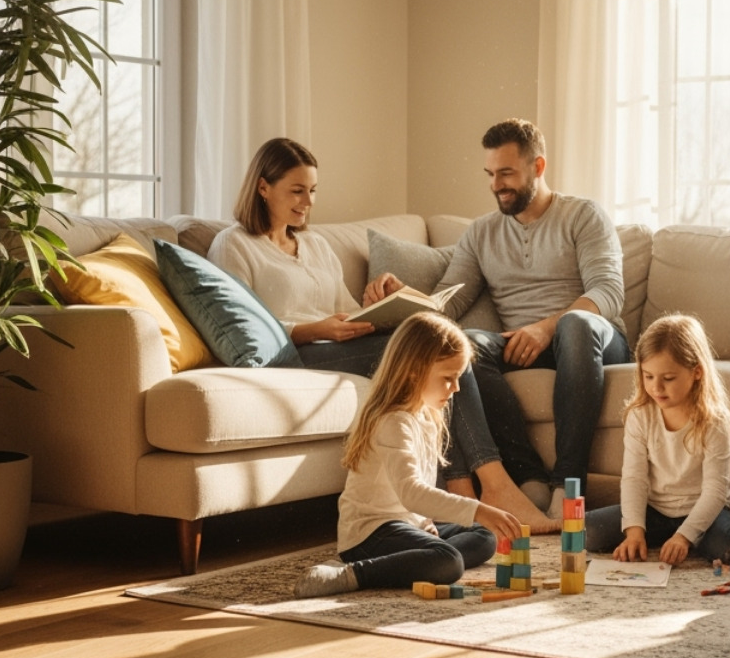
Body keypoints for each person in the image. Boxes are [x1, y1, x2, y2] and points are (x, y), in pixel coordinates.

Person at [209, 137, 557, 531]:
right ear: (263, 187)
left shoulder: (315, 244)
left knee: (437, 348)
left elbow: (346, 311)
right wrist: (311, 330)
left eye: (312, 191)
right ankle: (494, 485)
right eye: (297, 191)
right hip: (293, 355)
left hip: (337, 344)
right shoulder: (235, 245)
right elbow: (243, 325)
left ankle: (462, 490)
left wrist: (377, 302)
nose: (308, 202)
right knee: (425, 354)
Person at [370, 119, 629, 514]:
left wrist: (547, 327)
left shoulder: (583, 216)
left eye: (506, 173)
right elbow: (448, 303)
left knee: (574, 324)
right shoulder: (481, 233)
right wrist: (400, 296)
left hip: (590, 341)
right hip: (519, 344)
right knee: (466, 344)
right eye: (491, 174)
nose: (496, 185)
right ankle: (528, 479)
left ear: (538, 167)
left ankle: (567, 486)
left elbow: (607, 292)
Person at [294, 313, 524, 597]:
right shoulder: (393, 422)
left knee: (484, 537)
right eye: (448, 378)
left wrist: (426, 524)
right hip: (370, 533)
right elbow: (411, 493)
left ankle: (420, 559)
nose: (456, 388)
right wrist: (478, 508)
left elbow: (419, 495)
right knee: (449, 561)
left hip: (407, 522)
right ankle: (354, 572)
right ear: (415, 370)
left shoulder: (426, 414)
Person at [585, 314, 730, 565]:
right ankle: (662, 536)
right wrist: (634, 530)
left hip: (704, 511)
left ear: (696, 372)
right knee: (586, 532)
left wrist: (684, 536)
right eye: (648, 376)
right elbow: (634, 478)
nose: (656, 388)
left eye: (668, 378)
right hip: (656, 510)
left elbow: (715, 492)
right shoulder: (640, 415)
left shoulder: (713, 421)